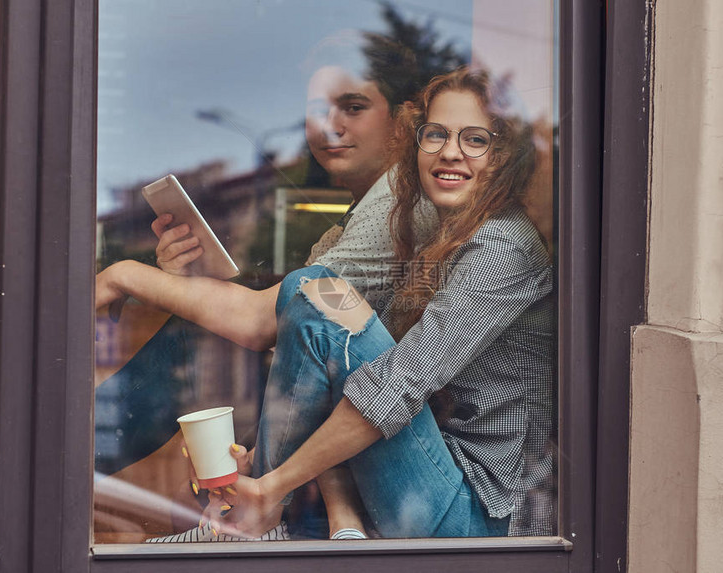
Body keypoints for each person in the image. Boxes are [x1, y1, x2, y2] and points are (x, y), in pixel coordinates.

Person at [155, 67, 555, 539]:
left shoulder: (503, 244)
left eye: (475, 140)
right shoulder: (441, 234)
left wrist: (271, 483)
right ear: (416, 142)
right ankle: (270, 516)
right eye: (436, 135)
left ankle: (257, 519)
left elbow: (394, 387)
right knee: (314, 300)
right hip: (431, 479)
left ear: (504, 156)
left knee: (319, 298)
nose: (450, 152)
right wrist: (261, 461)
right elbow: (338, 374)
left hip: (483, 515)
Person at [94, 34, 441, 540]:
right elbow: (290, 341)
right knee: (218, 320)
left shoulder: (402, 209)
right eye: (318, 109)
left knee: (224, 322)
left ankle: (38, 475)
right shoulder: (342, 231)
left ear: (403, 120)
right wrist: (192, 284)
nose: (331, 124)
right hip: (353, 457)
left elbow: (261, 323)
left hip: (403, 467)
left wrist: (124, 274)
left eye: (354, 106)